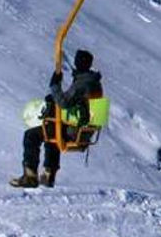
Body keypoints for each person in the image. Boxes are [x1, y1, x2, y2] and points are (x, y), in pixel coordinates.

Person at [10, 49, 104, 189]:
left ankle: (30, 175)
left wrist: (54, 85)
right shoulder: (94, 82)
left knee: (32, 135)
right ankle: (49, 174)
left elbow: (64, 102)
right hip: (83, 130)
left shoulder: (83, 83)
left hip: (74, 131)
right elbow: (73, 102)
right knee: (52, 132)